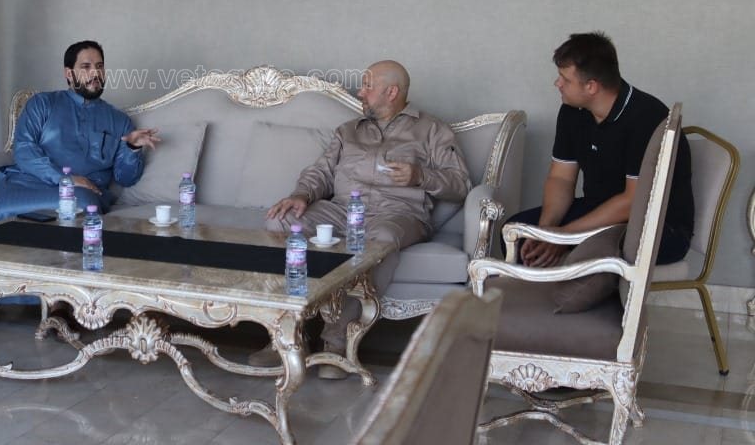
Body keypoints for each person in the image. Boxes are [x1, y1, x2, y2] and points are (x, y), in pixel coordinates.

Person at [263, 60, 470, 379]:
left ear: (392, 92)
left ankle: (336, 341)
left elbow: (460, 185)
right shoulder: (348, 130)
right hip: (343, 209)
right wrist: (302, 194)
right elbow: (321, 172)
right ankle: (286, 333)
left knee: (381, 240)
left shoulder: (432, 130)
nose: (360, 92)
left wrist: (420, 175)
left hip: (398, 213)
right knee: (281, 222)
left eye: (367, 86)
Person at [0, 40, 160, 328]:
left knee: (81, 207)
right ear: (69, 73)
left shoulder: (118, 121)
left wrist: (132, 148)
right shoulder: (42, 104)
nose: (95, 73)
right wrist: (63, 178)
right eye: (86, 67)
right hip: (27, 183)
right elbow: (24, 150)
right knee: (1, 207)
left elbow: (125, 177)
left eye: (99, 66)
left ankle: (62, 301)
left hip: (82, 194)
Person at [508, 32, 694, 268]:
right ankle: (535, 290)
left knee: (595, 249)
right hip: (597, 211)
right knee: (518, 233)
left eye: (565, 79)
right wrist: (546, 231)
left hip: (656, 227)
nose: (557, 84)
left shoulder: (647, 118)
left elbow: (633, 201)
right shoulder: (572, 111)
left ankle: (567, 289)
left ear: (591, 86)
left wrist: (566, 236)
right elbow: (561, 178)